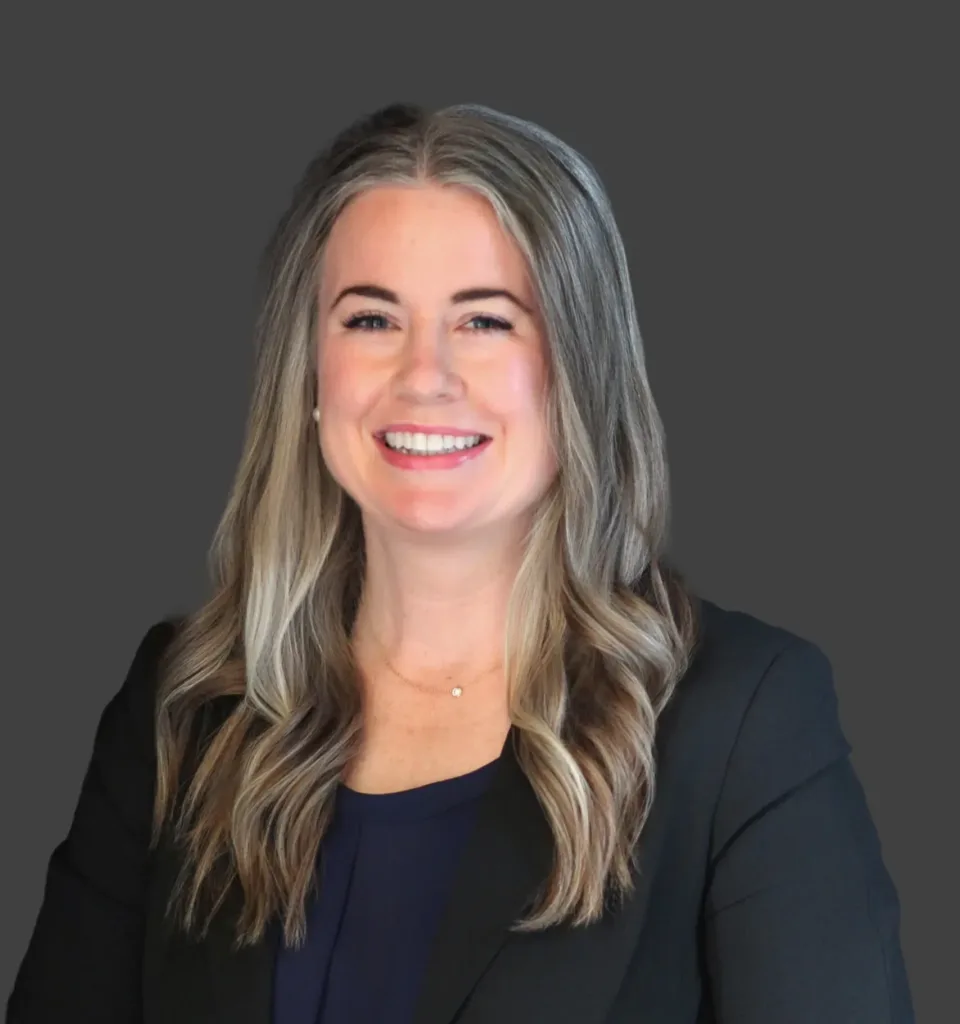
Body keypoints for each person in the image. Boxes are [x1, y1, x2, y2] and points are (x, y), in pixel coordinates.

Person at [7, 102, 914, 1024]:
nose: (424, 375)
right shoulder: (185, 709)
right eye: (370, 319)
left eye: (485, 322)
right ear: (309, 374)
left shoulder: (744, 722)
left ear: (577, 372)